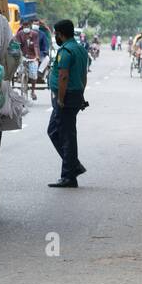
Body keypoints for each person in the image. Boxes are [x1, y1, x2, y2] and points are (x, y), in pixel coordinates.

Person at [48, 19, 89, 188]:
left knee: (66, 136)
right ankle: (73, 166)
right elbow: (83, 76)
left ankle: (69, 176)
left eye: (56, 34)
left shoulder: (65, 51)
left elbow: (63, 76)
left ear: (61, 34)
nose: (55, 36)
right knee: (56, 131)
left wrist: (60, 99)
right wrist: (81, 94)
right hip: (76, 94)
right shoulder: (80, 49)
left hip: (65, 97)